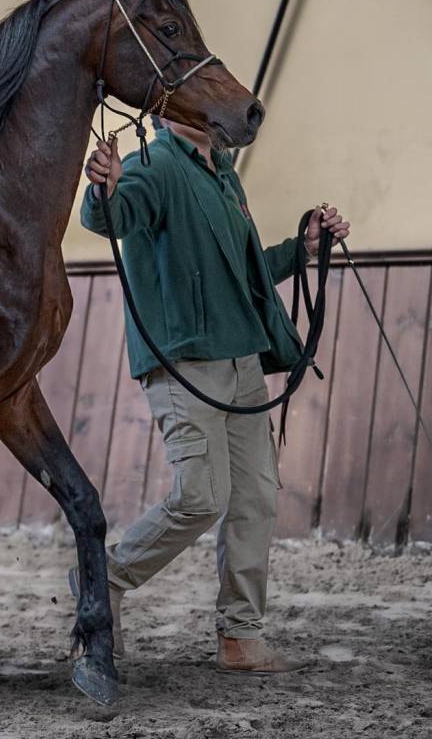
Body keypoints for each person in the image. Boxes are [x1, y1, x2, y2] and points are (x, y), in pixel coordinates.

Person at [73, 116, 349, 674]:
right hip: (185, 363)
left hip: (241, 357)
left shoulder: (222, 172)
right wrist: (103, 188)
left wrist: (304, 248)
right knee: (201, 496)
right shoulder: (154, 164)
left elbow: (245, 271)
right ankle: (105, 578)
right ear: (168, 109)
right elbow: (111, 216)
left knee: (254, 499)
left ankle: (241, 637)